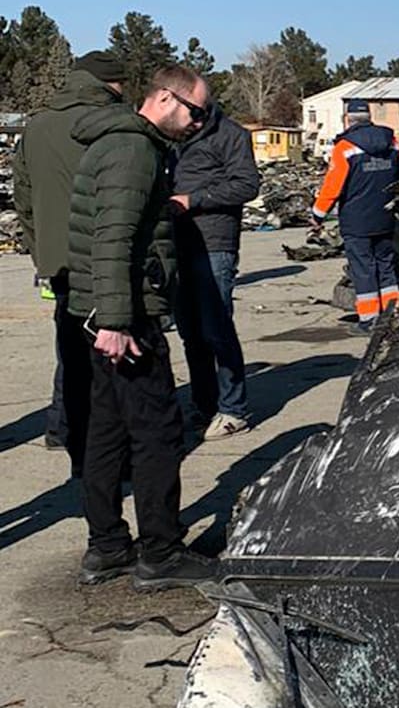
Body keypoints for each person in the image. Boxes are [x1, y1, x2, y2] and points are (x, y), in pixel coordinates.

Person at [66, 65, 217, 588]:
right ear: (165, 98)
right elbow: (113, 238)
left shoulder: (120, 143)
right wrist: (115, 321)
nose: (199, 123)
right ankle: (161, 552)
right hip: (125, 317)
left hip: (103, 313)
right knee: (158, 433)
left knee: (107, 431)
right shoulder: (134, 151)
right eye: (196, 112)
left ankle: (107, 546)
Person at [11, 50, 125, 477]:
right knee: (112, 360)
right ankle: (103, 454)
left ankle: (66, 431)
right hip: (106, 260)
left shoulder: (36, 126)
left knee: (71, 350)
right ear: (110, 84)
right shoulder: (110, 123)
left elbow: (23, 200)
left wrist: (42, 252)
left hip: (58, 262)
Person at [170, 100, 261, 440]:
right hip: (178, 242)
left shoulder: (231, 135)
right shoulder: (172, 135)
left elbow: (247, 185)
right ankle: (203, 404)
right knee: (190, 332)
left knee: (216, 328)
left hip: (214, 243)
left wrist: (193, 200)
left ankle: (234, 409)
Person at [311, 99, 399, 336]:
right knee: (386, 266)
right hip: (386, 216)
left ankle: (369, 320)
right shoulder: (392, 143)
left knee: (363, 269)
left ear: (348, 119)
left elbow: (332, 187)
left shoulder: (345, 147)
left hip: (356, 220)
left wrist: (318, 214)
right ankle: (391, 315)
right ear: (370, 117)